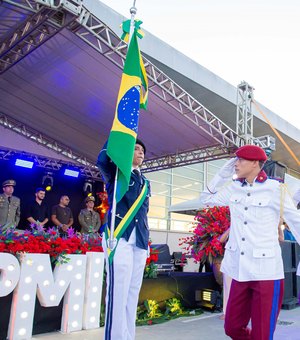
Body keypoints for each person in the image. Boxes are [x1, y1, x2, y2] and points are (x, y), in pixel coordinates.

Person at [199, 144, 300, 340]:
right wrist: (222, 174)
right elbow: (206, 199)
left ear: (255, 163)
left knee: (262, 334)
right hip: (239, 271)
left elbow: (296, 222)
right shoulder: (234, 188)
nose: (236, 164)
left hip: (267, 272)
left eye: (240, 160)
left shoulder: (275, 189)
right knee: (232, 328)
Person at [97, 138, 151, 340]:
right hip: (119, 236)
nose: (140, 152)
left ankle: (128, 336)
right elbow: (103, 160)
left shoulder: (145, 182)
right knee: (118, 291)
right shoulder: (117, 172)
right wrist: (120, 136)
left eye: (142, 150)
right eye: (135, 148)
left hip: (139, 239)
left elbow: (144, 212)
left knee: (132, 292)